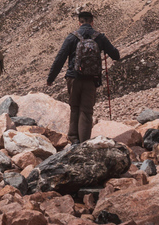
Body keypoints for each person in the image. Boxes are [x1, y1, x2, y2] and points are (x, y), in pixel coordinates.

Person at [47, 10, 120, 144]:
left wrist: (51, 78)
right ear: (92, 22)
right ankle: (84, 142)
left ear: (79, 22)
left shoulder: (72, 37)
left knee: (74, 107)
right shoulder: (100, 37)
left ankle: (74, 139)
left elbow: (60, 58)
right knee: (86, 111)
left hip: (73, 78)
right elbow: (116, 55)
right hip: (91, 79)